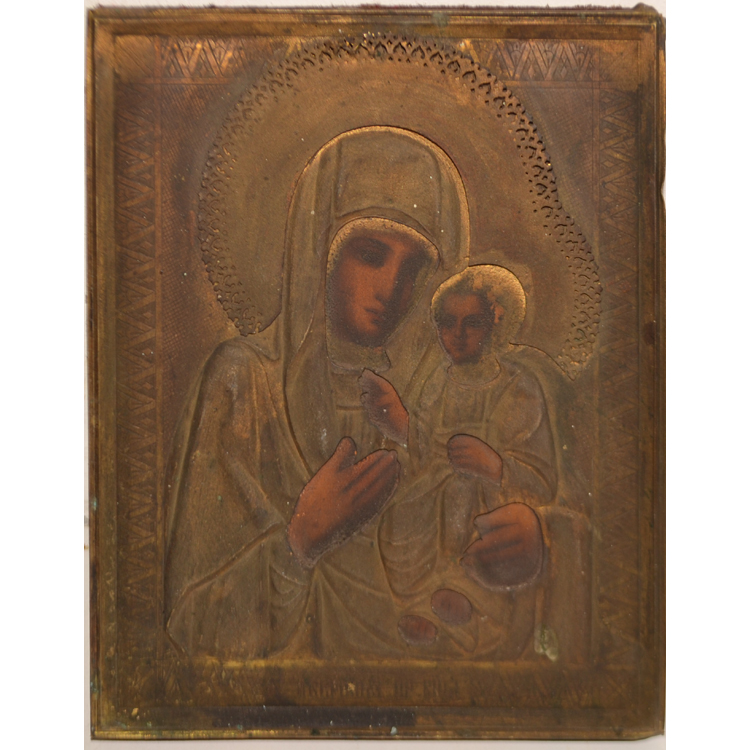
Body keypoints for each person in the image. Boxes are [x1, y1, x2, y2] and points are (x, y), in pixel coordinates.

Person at [164, 126, 471, 660]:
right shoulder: (247, 380)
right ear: (319, 252)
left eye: (413, 268)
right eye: (370, 254)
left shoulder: (429, 400)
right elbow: (192, 623)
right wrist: (301, 542)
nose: (391, 289)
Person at [364, 266, 590, 660]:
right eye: (447, 324)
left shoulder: (518, 388)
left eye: (472, 323)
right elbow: (423, 446)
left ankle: (470, 601)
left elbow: (541, 477)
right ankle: (420, 599)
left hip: (488, 498)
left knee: (467, 506)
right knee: (399, 520)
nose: (458, 334)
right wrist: (401, 425)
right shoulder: (437, 382)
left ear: (496, 325)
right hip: (432, 494)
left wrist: (495, 467)